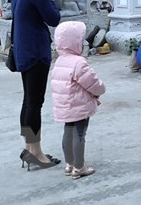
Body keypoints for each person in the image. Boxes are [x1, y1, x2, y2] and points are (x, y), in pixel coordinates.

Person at [13, 0, 63, 171]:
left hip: (23, 50)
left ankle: (29, 148)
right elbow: (53, 18)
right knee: (35, 103)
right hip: (36, 52)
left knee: (28, 101)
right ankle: (37, 152)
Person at [50, 21, 106, 179]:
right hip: (79, 105)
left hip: (65, 106)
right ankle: (79, 167)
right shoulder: (78, 62)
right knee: (80, 134)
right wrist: (101, 90)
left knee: (68, 132)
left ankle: (69, 164)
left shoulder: (59, 61)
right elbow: (92, 83)